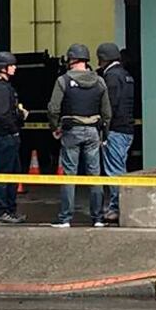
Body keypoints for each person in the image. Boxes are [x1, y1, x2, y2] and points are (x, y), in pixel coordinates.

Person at [48, 43, 112, 228]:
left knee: (70, 174)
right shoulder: (99, 81)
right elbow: (107, 111)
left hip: (71, 130)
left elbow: (53, 108)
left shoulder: (63, 80)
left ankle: (65, 218)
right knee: (94, 175)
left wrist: (55, 127)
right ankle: (98, 218)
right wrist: (104, 132)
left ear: (71, 60)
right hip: (93, 131)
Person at [0, 51, 27, 223]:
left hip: (7, 135)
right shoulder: (0, 88)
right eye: (12, 65)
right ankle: (2, 211)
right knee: (4, 175)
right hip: (5, 136)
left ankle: (9, 209)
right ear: (3, 68)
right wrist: (16, 123)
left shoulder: (3, 87)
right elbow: (2, 115)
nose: (15, 68)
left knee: (13, 175)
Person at [96, 42, 135, 224]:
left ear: (102, 59)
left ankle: (116, 208)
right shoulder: (126, 75)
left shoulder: (111, 76)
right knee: (120, 167)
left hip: (116, 130)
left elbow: (109, 106)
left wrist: (103, 130)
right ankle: (120, 205)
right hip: (127, 128)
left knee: (114, 171)